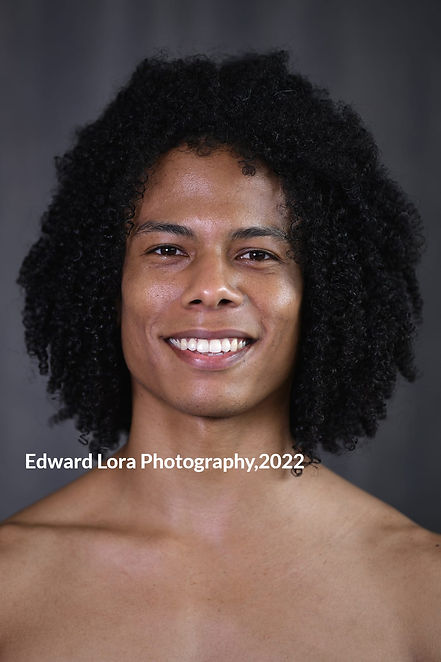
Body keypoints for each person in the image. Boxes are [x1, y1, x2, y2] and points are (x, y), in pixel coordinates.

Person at [1, 51, 440, 661]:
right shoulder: (10, 586)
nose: (212, 287)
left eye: (258, 254)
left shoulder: (423, 591)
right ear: (105, 284)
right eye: (166, 249)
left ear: (323, 294)